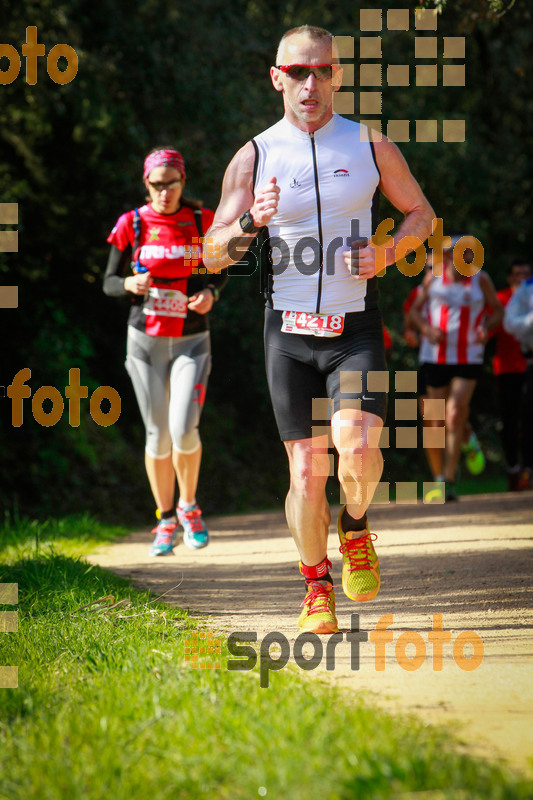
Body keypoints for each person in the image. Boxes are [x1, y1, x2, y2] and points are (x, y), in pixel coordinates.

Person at [203, 25, 434, 634]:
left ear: (337, 75)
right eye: (297, 72)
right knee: (306, 470)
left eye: (321, 71)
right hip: (288, 332)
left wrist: (386, 255)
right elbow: (211, 254)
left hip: (354, 327)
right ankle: (315, 587)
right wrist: (251, 220)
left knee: (358, 452)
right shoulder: (253, 156)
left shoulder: (369, 145)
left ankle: (354, 526)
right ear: (276, 77)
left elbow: (421, 214)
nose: (310, 83)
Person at [104, 147, 227, 555]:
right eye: (156, 185)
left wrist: (210, 292)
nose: (164, 193)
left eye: (171, 184)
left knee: (183, 429)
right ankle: (164, 519)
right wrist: (126, 285)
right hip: (144, 342)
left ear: (182, 183)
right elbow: (107, 280)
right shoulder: (132, 224)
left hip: (192, 340)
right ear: (147, 185)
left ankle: (189, 507)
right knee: (157, 436)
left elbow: (220, 271)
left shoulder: (201, 221)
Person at [410, 237, 503, 501]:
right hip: (434, 357)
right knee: (434, 421)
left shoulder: (481, 279)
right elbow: (415, 312)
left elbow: (497, 310)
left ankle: (447, 480)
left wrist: (488, 327)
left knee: (454, 413)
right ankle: (444, 470)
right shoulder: (433, 278)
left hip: (469, 355)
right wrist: (426, 329)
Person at [503, 266, 533, 489]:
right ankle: (521, 470)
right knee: (519, 420)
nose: (522, 277)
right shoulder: (525, 290)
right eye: (518, 273)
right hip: (513, 367)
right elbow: (507, 323)